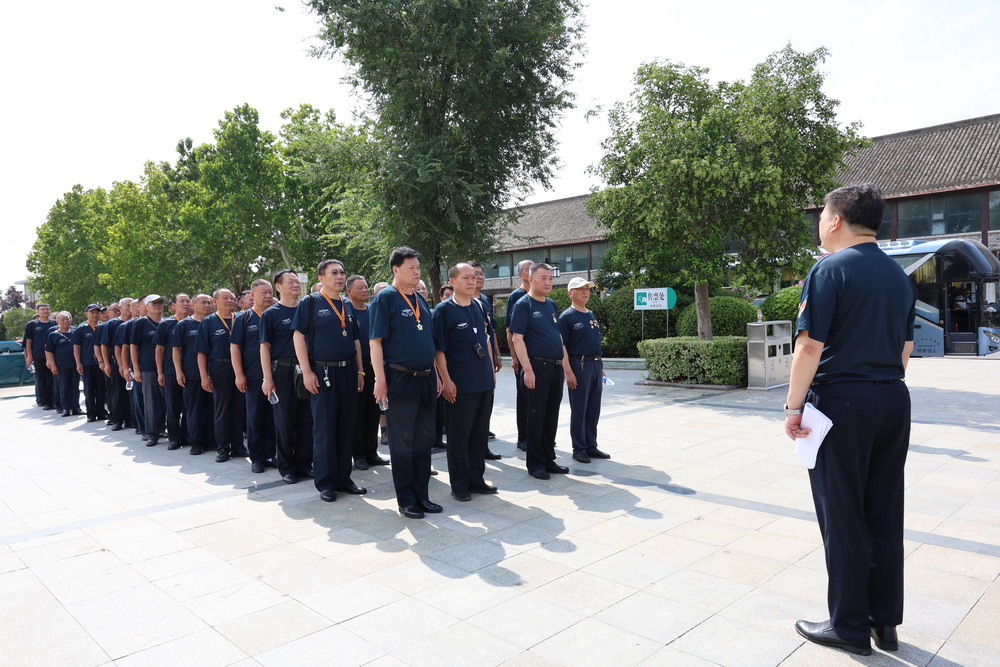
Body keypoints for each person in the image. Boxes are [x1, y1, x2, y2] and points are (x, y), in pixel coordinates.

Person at [785, 184, 916, 657]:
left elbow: (808, 346)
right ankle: (884, 621)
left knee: (842, 515)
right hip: (892, 398)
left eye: (822, 215)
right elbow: (905, 348)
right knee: (883, 511)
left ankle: (849, 626)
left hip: (842, 402)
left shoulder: (829, 269)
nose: (820, 223)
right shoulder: (898, 275)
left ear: (836, 220)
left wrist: (793, 407)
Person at [370, 246, 442, 519]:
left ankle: (422, 496)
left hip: (426, 377)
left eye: (418, 267)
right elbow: (375, 342)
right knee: (402, 441)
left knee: (424, 439)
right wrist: (380, 380)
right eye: (411, 267)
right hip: (400, 378)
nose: (416, 272)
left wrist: (436, 373)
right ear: (395, 269)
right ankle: (406, 500)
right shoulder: (386, 298)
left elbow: (429, 341)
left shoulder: (420, 299)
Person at [293, 260, 367, 502]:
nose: (340, 276)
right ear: (321, 277)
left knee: (346, 428)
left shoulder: (347, 304)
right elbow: (298, 336)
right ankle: (325, 482)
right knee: (325, 429)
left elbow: (355, 340)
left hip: (348, 372)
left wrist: (360, 371)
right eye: (334, 272)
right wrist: (307, 372)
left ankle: (344, 479)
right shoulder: (311, 302)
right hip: (322, 373)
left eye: (342, 272)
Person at [433, 263, 499, 501]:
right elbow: (439, 351)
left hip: (482, 382)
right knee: (459, 436)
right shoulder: (443, 310)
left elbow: (486, 340)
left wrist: (490, 371)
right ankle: (460, 484)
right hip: (459, 385)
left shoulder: (479, 305)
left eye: (474, 277)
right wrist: (446, 381)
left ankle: (476, 479)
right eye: (466, 278)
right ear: (452, 281)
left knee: (479, 435)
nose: (472, 281)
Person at [508, 262, 573, 480]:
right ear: (531, 279)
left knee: (551, 416)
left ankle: (548, 458)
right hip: (536, 367)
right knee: (536, 417)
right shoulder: (523, 305)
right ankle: (535, 463)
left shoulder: (551, 304)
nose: (548, 282)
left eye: (550, 279)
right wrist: (527, 370)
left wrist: (564, 367)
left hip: (554, 368)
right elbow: (517, 339)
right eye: (543, 278)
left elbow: (558, 337)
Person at [261, 270, 313, 484]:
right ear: (278, 286)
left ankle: (304, 464)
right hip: (282, 371)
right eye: (290, 282)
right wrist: (267, 378)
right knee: (284, 422)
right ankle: (287, 467)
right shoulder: (271, 314)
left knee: (306, 420)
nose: (295, 285)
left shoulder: (307, 309)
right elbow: (264, 347)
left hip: (307, 370)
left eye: (297, 281)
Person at [559, 277, 611, 463]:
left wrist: (600, 367)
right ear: (570, 293)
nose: (585, 292)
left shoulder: (590, 314)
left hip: (595, 365)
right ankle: (579, 448)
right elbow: (562, 346)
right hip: (579, 365)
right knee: (579, 408)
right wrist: (568, 371)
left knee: (593, 408)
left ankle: (591, 445)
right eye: (580, 289)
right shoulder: (567, 317)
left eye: (587, 289)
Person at [345, 274, 390, 470]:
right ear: (349, 291)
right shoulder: (347, 312)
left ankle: (372, 452)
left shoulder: (373, 311)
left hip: (376, 366)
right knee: (357, 412)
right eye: (360, 288)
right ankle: (358, 454)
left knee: (374, 410)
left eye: (366, 287)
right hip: (357, 367)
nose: (365, 290)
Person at [197, 288, 247, 463]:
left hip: (240, 367)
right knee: (222, 409)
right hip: (219, 367)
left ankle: (238, 445)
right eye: (225, 298)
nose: (230, 301)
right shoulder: (208, 321)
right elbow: (201, 352)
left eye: (232, 298)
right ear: (215, 301)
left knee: (239, 408)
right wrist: (204, 376)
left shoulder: (240, 319)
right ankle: (223, 447)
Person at [232, 279, 277, 473]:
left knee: (274, 418)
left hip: (277, 374)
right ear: (252, 295)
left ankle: (271, 454)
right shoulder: (243, 318)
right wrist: (239, 374)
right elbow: (235, 347)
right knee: (255, 417)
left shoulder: (275, 314)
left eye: (270, 292)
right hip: (253, 375)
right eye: (263, 293)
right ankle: (257, 457)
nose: (267, 296)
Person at [173, 294, 215, 456]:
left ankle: (212, 441)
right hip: (192, 374)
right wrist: (179, 371)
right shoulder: (184, 325)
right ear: (193, 305)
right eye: (203, 302)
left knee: (213, 409)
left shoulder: (215, 322)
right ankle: (196, 442)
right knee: (194, 410)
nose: (207, 305)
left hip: (215, 373)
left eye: (209, 302)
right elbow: (176, 350)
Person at [469, 261, 503, 458]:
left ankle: (482, 446)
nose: (479, 277)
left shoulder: (484, 301)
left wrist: (496, 355)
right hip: (468, 367)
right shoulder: (456, 303)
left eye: (481, 274)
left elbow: (490, 332)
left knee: (486, 404)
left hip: (485, 361)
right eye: (474, 274)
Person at [155, 294, 192, 450]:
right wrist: (160, 372)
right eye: (182, 301)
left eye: (188, 301)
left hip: (191, 370)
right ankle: (174, 438)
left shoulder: (194, 322)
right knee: (173, 406)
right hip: (170, 371)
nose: (186, 304)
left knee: (189, 406)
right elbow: (159, 350)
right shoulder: (166, 324)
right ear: (173, 305)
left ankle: (187, 436)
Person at [131, 295, 168, 446]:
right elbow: (133, 347)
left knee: (165, 401)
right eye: (154, 303)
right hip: (148, 368)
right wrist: (136, 369)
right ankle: (151, 433)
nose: (158, 305)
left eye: (160, 303)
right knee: (151, 402)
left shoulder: (167, 322)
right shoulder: (140, 323)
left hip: (167, 367)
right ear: (146, 306)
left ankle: (161, 428)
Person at [507, 259, 533, 451]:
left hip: (540, 357)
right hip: (524, 357)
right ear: (520, 275)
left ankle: (538, 435)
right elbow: (510, 329)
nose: (531, 271)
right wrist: (514, 357)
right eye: (527, 269)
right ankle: (523, 437)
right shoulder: (516, 296)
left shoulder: (541, 296)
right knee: (524, 399)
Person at [102, 298, 132, 431]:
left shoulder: (136, 322)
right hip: (117, 363)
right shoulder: (112, 324)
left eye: (132, 305)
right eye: (127, 305)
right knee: (118, 392)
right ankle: (117, 419)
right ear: (120, 308)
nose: (130, 308)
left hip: (133, 363)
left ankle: (131, 420)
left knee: (131, 393)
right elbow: (104, 345)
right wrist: (106, 363)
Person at [73, 304, 106, 422]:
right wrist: (78, 363)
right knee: (89, 389)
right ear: (86, 314)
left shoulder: (103, 327)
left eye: (97, 312)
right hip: (87, 363)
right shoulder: (81, 329)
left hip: (102, 364)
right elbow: (76, 347)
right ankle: (91, 413)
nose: (95, 315)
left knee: (101, 388)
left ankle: (101, 412)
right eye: (92, 312)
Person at [45, 311, 81, 417]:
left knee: (75, 387)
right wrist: (53, 365)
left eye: (67, 319)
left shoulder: (75, 332)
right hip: (61, 366)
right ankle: (65, 408)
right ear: (57, 322)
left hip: (75, 365)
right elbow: (48, 351)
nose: (66, 321)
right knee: (63, 387)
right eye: (63, 320)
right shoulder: (53, 335)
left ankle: (76, 407)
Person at [24, 303, 57, 410]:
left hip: (52, 356)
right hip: (38, 355)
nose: (45, 311)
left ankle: (53, 401)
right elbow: (28, 342)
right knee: (41, 379)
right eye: (43, 309)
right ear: (37, 311)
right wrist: (29, 356)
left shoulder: (54, 323)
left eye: (47, 309)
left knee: (53, 379)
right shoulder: (32, 324)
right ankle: (44, 401)